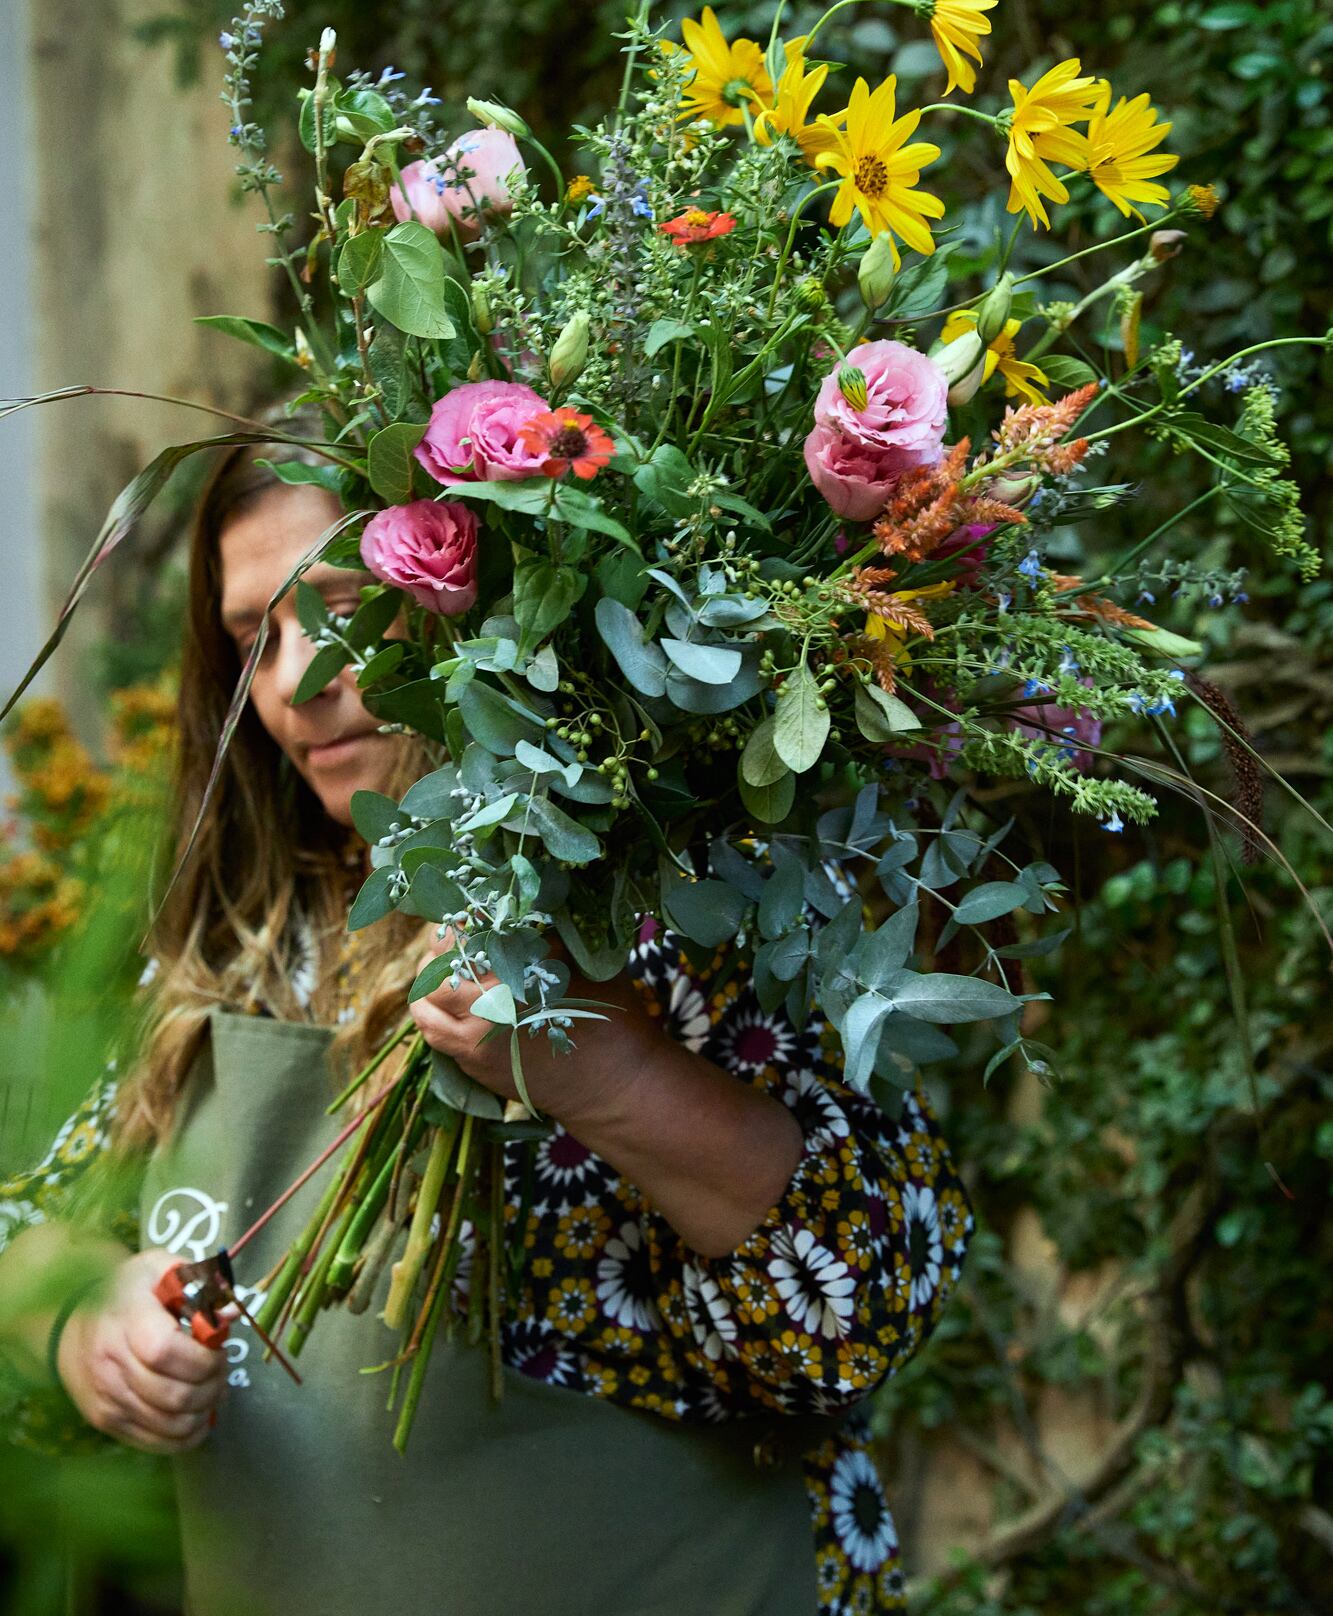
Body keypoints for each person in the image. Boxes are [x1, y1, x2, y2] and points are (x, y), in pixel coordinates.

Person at [0, 416, 975, 1616]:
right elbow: (26, 1231)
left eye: (354, 604)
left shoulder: (666, 904)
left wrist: (617, 1078)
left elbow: (864, 1299)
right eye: (256, 636)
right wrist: (86, 1318)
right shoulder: (232, 945)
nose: (304, 683)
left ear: (480, 578)